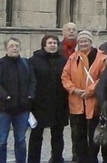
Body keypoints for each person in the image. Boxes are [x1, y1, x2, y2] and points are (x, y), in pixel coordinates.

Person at [61, 30, 107, 163]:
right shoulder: (73, 58)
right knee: (78, 135)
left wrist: (90, 90)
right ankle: (81, 159)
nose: (83, 43)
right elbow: (65, 76)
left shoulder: (101, 57)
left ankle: (92, 159)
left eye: (86, 41)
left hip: (93, 102)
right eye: (81, 41)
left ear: (91, 42)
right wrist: (74, 90)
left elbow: (103, 77)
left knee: (93, 134)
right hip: (77, 101)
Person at [28, 34, 69, 163]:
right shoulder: (34, 60)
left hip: (59, 103)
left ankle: (57, 159)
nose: (52, 45)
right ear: (44, 45)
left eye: (55, 43)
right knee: (36, 135)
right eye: (50, 43)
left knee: (57, 135)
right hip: (39, 104)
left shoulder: (63, 60)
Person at [0, 37, 36, 163]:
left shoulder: (25, 63)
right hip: (4, 108)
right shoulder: (1, 63)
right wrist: (5, 96)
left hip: (22, 108)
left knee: (20, 139)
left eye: (16, 45)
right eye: (11, 46)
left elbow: (32, 81)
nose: (14, 48)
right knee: (2, 140)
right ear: (6, 48)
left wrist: (30, 95)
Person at [57, 22, 78, 162]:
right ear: (63, 32)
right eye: (68, 29)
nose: (71, 32)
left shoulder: (82, 46)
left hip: (77, 93)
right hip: (60, 94)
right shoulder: (56, 48)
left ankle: (77, 154)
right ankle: (57, 155)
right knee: (57, 127)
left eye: (73, 30)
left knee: (77, 128)